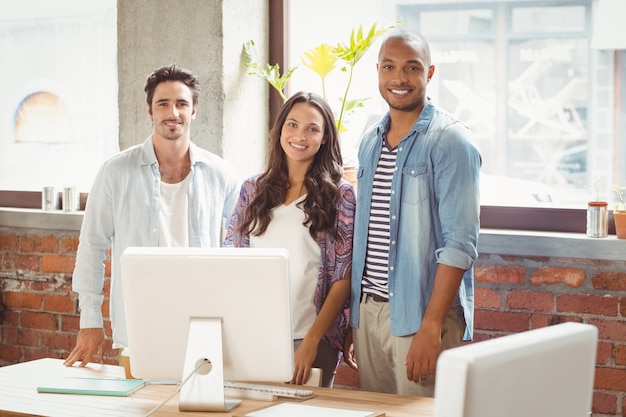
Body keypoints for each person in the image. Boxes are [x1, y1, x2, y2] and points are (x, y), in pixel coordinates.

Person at [64, 64, 241, 368]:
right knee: (139, 410)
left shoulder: (221, 174)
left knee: (200, 413)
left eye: (182, 103)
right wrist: (89, 320)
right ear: (149, 111)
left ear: (194, 110)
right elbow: (92, 246)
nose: (173, 112)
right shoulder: (115, 172)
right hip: (139, 323)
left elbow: (246, 246)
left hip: (205, 322)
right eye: (163, 103)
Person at [344, 30, 481, 397]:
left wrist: (431, 325)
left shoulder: (451, 141)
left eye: (411, 68)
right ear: (377, 72)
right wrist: (356, 319)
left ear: (430, 73)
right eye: (389, 67)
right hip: (370, 313)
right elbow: (365, 232)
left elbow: (460, 244)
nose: (399, 78)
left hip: (420, 316)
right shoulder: (370, 140)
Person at [224, 91, 355, 388]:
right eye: (292, 125)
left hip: (311, 336)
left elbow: (342, 278)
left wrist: (312, 341)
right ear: (281, 129)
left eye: (312, 128)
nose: (300, 135)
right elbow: (231, 263)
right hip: (253, 334)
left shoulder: (340, 195)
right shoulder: (251, 191)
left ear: (324, 138)